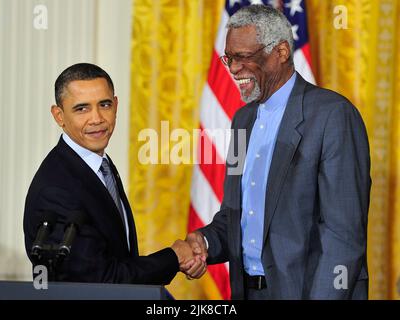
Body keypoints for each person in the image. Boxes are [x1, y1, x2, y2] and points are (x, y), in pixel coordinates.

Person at [185, 5, 371, 300]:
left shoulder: (333, 116)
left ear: (281, 52)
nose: (233, 69)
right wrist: (205, 240)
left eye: (244, 58)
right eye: (229, 58)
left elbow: (343, 236)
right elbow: (235, 215)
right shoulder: (241, 121)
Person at [24, 63, 205, 285]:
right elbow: (100, 279)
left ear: (116, 105)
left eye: (104, 104)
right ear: (59, 115)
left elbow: (118, 256)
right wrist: (173, 257)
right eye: (82, 108)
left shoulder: (100, 165)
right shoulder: (57, 188)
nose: (97, 118)